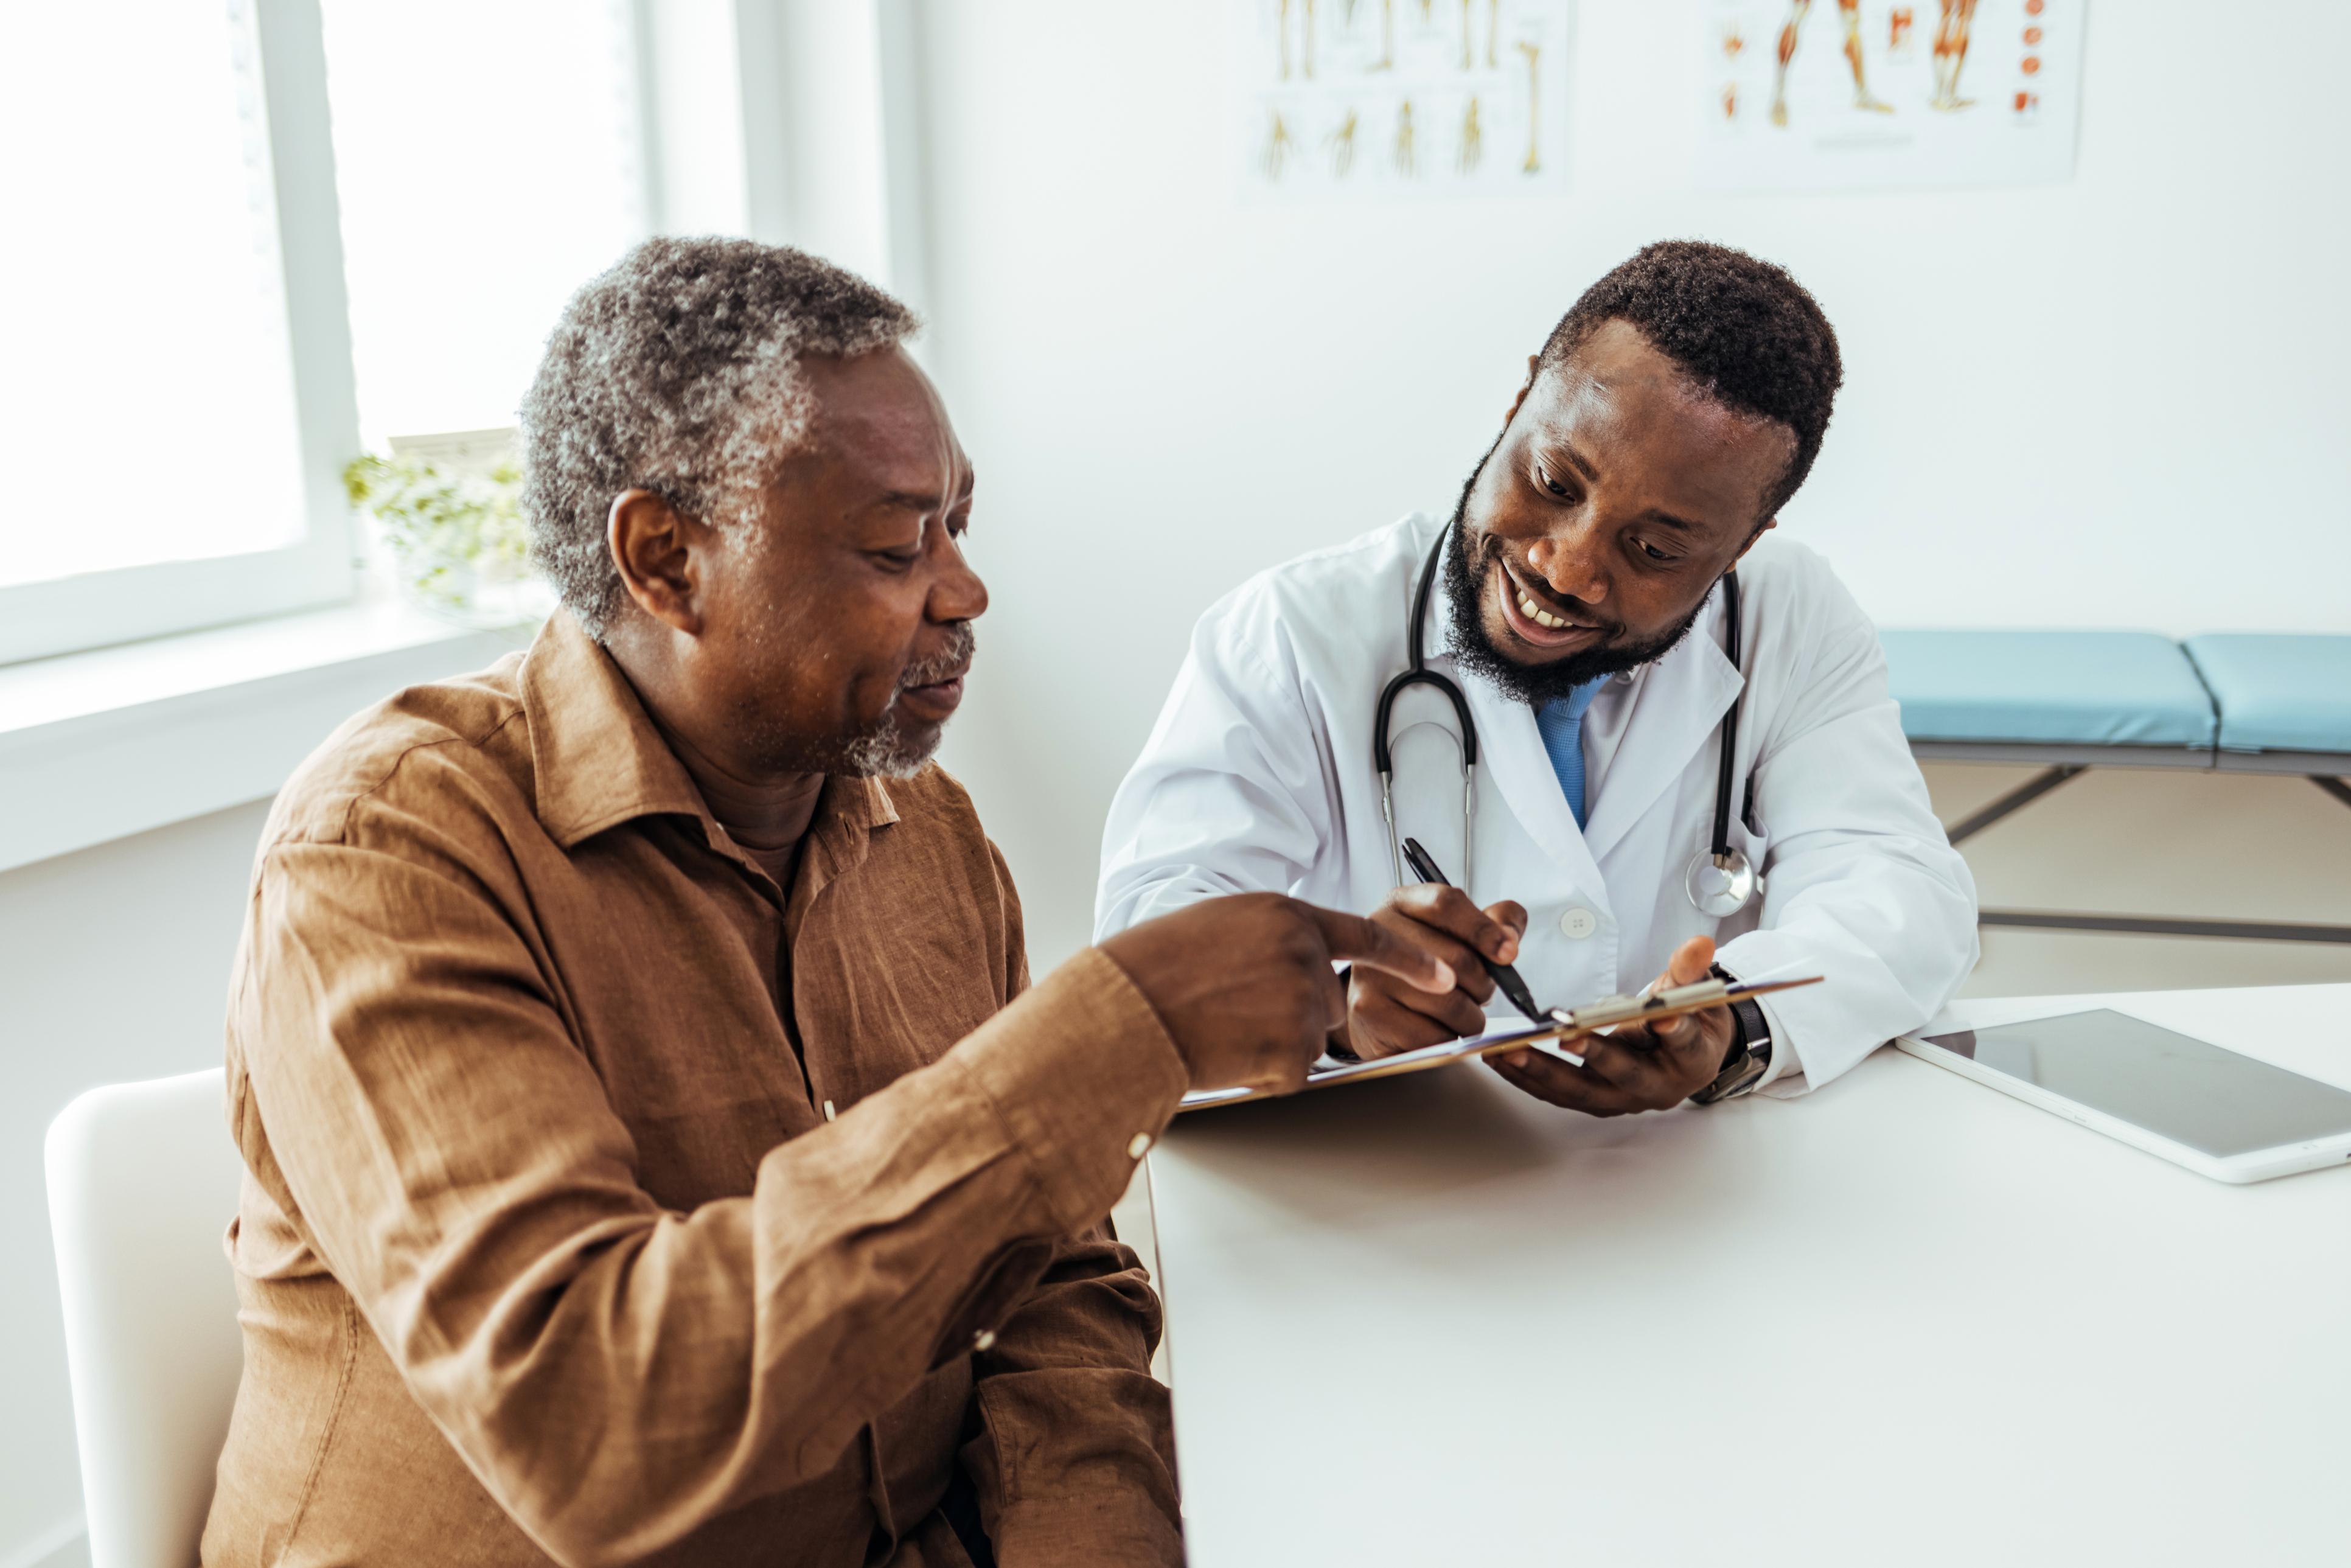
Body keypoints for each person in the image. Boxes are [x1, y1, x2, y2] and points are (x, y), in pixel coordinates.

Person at [202, 239, 1449, 1568]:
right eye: (896, 542)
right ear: (667, 559)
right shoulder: (392, 847)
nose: (965, 591)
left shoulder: (929, 836)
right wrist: (1113, 1029)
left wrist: (1092, 1540)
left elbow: (1049, 1281)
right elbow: (586, 1420)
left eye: (961, 523)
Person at [1096, 240, 1977, 1114]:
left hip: (1679, 1191)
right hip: (1383, 1198)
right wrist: (1335, 1009)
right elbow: (1143, 946)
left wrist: (1735, 1022)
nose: (1568, 566)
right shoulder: (1294, 631)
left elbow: (1900, 889)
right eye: (1555, 480)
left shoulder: (1789, 616)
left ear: (1745, 542)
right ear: (1523, 397)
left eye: (1656, 549)